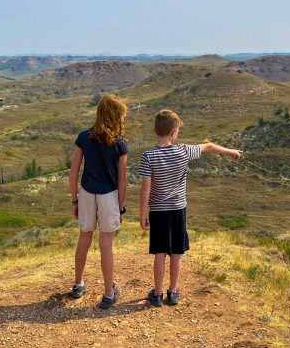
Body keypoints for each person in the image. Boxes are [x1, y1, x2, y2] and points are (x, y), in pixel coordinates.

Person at [138, 109, 241, 307]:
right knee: (177, 252)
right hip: (178, 210)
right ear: (174, 132)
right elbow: (209, 146)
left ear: (155, 130)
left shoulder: (148, 156)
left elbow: (145, 188)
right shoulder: (184, 151)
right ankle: (173, 292)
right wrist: (231, 152)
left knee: (160, 252)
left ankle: (157, 294)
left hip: (158, 212)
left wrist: (142, 216)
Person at [69, 94, 128, 309]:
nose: (123, 120)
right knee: (106, 245)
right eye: (122, 116)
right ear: (114, 116)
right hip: (109, 196)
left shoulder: (83, 138)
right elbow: (122, 181)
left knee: (84, 237)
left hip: (86, 193)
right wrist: (120, 207)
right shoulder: (120, 144)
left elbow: (73, 173)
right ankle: (108, 294)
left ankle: (78, 284)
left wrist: (75, 200)